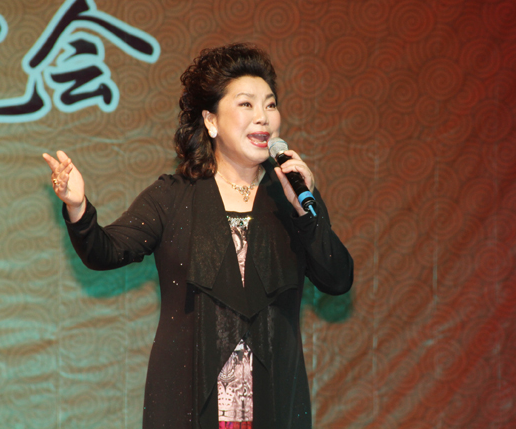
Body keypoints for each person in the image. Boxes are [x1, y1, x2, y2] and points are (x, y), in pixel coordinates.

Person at [43, 43, 353, 429]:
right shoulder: (174, 196)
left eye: (270, 105)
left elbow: (338, 279)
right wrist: (77, 207)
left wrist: (307, 213)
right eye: (246, 104)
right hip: (188, 401)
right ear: (211, 121)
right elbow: (105, 251)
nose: (263, 117)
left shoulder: (292, 196)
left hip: (274, 403)